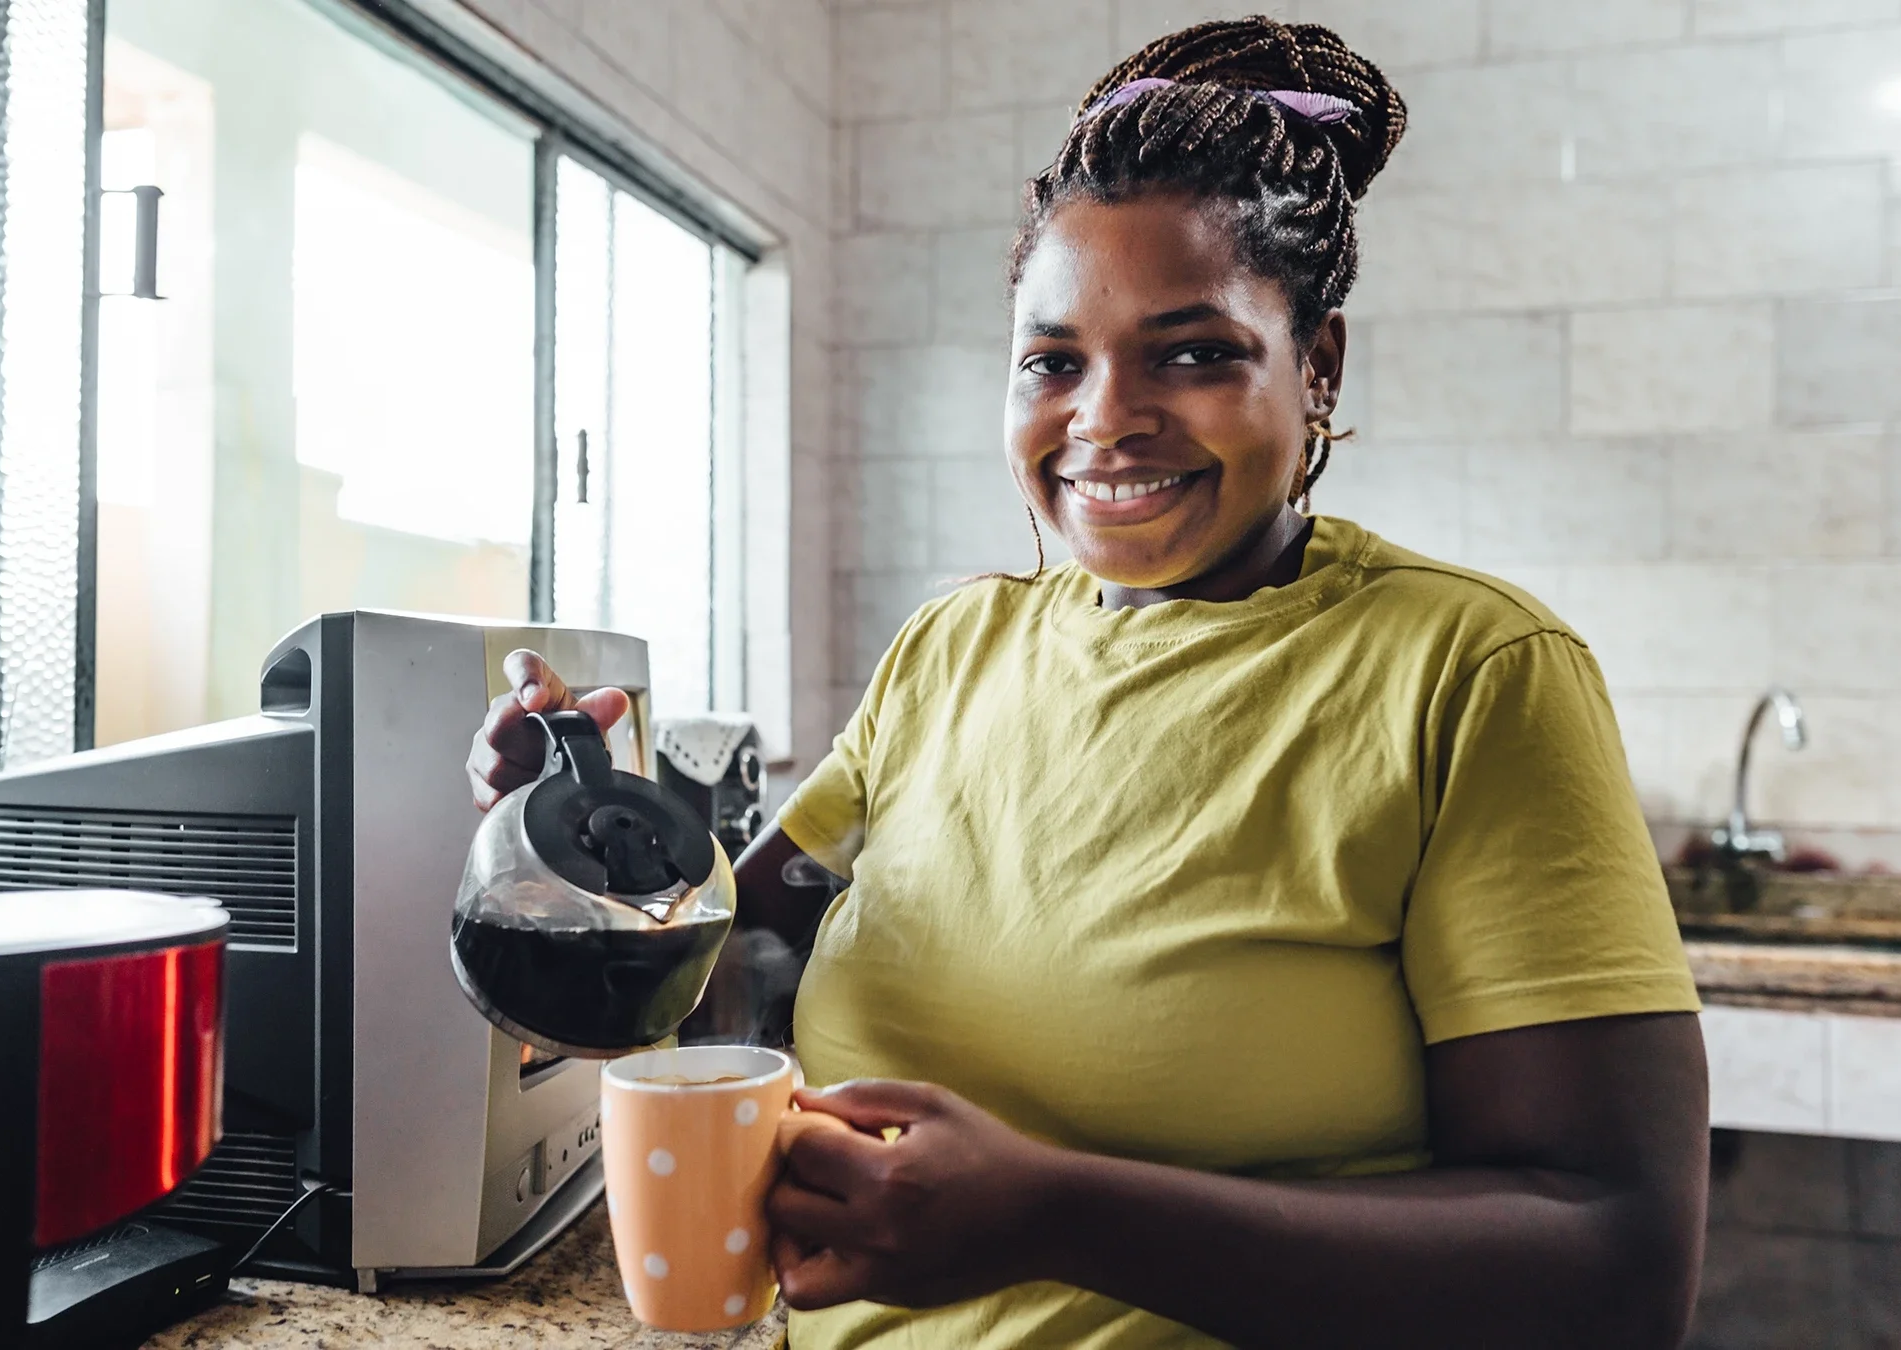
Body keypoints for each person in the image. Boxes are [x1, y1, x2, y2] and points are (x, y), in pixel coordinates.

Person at [470, 17, 1707, 1350]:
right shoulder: (948, 650)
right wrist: (587, 857)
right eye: (1053, 359)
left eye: (1193, 351)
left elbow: (1615, 1260)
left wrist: (1057, 1214)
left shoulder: (1469, 676)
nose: (1105, 414)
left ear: (1320, 366)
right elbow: (737, 956)